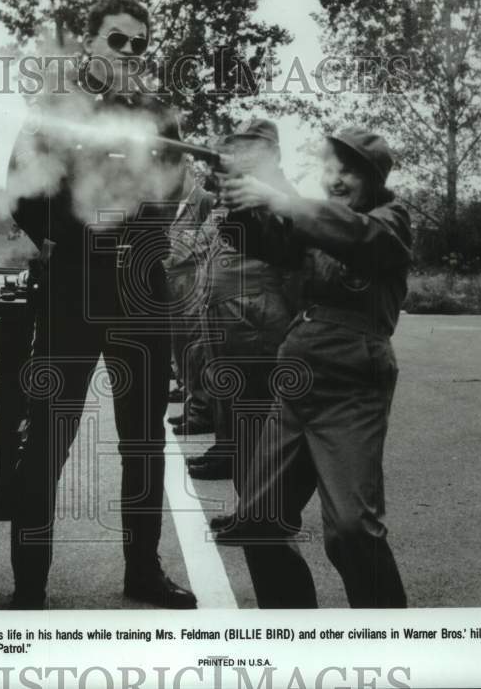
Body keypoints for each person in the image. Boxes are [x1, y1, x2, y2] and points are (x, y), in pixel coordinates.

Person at [5, 0, 196, 610]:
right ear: (88, 42)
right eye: (118, 40)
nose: (130, 54)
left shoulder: (160, 115)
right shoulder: (54, 111)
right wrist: (60, 242)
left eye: (140, 44)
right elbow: (20, 191)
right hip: (72, 289)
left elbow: (173, 191)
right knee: (48, 437)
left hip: (141, 287)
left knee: (144, 439)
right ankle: (29, 581)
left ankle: (143, 570)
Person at [214, 127, 410, 609]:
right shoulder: (312, 222)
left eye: (348, 170)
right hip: (297, 378)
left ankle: (395, 643)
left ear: (374, 178)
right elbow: (264, 242)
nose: (334, 178)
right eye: (329, 167)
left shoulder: (391, 219)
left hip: (352, 383)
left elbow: (362, 237)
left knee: (350, 531)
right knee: (257, 521)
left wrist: (282, 200)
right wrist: (238, 196)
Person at [186, 119, 298, 494]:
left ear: (276, 154)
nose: (245, 156)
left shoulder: (275, 193)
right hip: (235, 319)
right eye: (241, 148)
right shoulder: (251, 192)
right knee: (238, 417)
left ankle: (259, 517)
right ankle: (251, 512)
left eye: (255, 148)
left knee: (253, 421)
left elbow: (287, 258)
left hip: (255, 321)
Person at [163, 162, 216, 436]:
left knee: (195, 348)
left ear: (187, 174)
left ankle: (201, 409)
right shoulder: (169, 202)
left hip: (194, 283)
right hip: (172, 284)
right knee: (180, 345)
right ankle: (190, 400)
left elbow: (209, 241)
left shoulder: (205, 199)